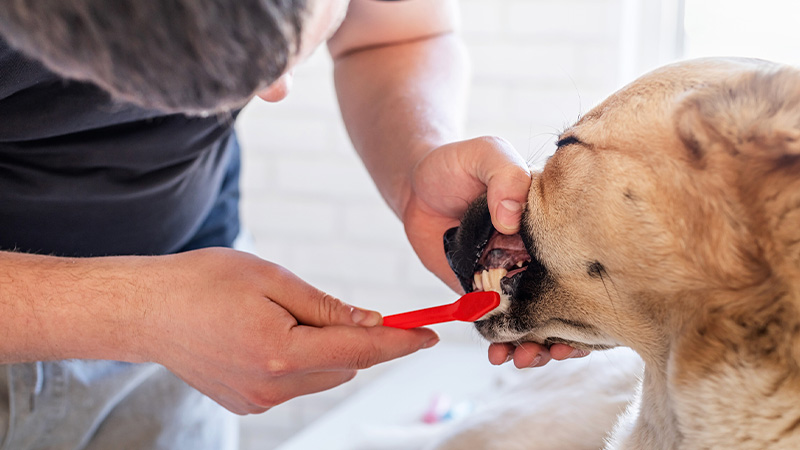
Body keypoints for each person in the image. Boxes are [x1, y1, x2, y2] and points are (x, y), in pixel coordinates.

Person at [0, 0, 582, 447]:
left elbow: (393, 30)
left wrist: (413, 168)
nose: (274, 90)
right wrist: (139, 313)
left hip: (191, 316)